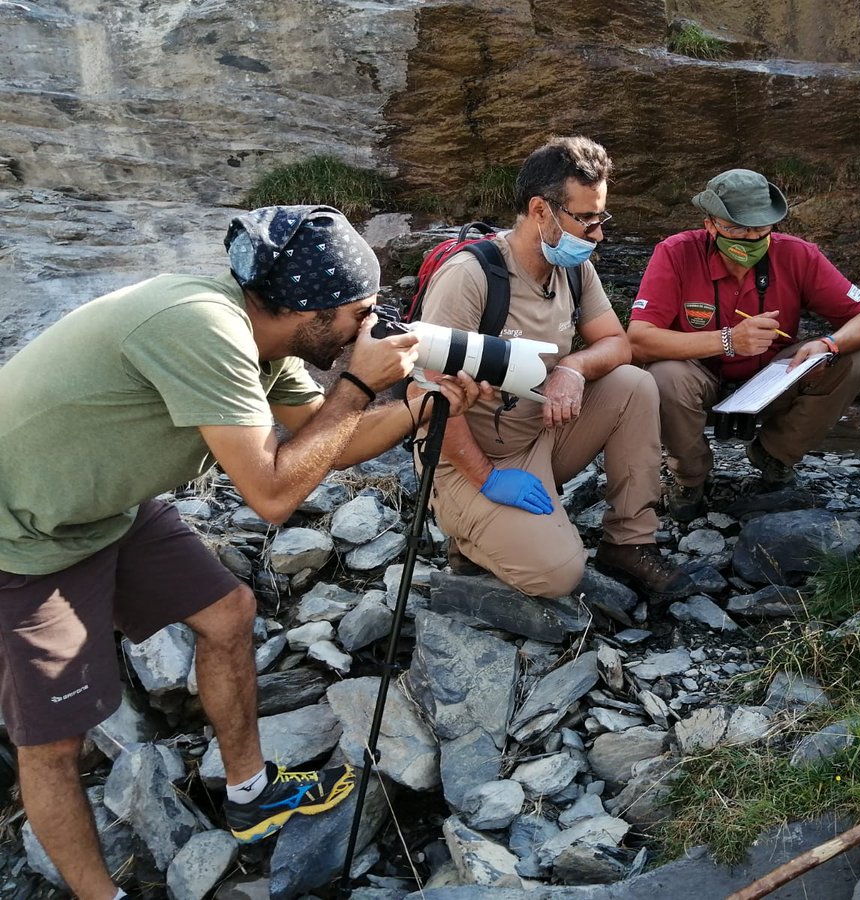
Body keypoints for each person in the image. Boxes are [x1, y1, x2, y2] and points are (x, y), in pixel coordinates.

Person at [0, 205, 484, 900]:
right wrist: (357, 383)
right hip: (22, 532)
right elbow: (274, 495)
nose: (371, 328)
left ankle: (250, 793)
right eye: (362, 312)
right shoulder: (205, 328)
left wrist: (424, 407)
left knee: (227, 613)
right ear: (313, 310)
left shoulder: (268, 341)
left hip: (103, 507)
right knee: (52, 743)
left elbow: (325, 444)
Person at [418, 135, 692, 602]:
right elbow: (428, 397)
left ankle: (628, 542)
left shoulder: (573, 267)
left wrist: (573, 368)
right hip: (468, 462)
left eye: (600, 216)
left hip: (542, 431)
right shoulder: (470, 277)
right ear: (541, 210)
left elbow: (617, 344)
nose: (598, 233)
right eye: (585, 219)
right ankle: (466, 536)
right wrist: (487, 478)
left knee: (633, 385)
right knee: (559, 576)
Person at [627, 168, 860, 520]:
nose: (750, 238)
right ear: (710, 224)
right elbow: (639, 339)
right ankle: (690, 476)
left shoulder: (798, 255)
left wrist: (829, 342)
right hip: (699, 379)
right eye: (736, 228)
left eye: (760, 227)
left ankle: (774, 455)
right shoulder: (675, 253)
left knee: (850, 359)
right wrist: (728, 340)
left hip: (769, 383)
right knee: (664, 375)